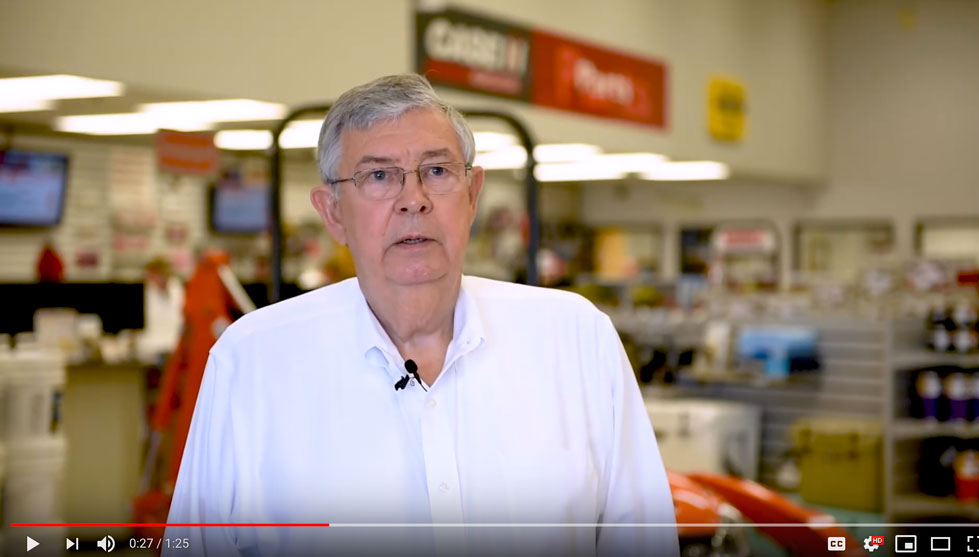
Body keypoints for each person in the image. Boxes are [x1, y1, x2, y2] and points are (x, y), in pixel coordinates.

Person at [165, 74, 678, 557]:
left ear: (472, 195)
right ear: (333, 212)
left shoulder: (576, 340)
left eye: (437, 171)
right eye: (379, 176)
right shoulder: (253, 363)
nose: (414, 200)